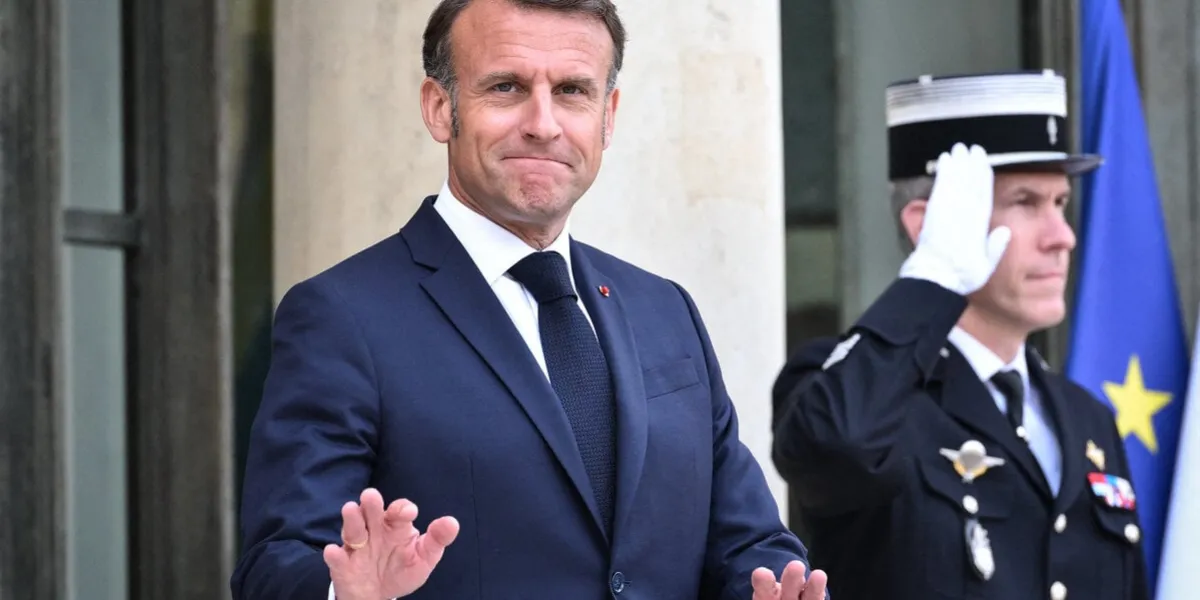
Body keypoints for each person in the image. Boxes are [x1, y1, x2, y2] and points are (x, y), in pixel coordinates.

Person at [231, 1, 829, 599]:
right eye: (506, 87)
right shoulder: (342, 317)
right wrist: (347, 594)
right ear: (439, 108)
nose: (543, 124)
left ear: (608, 117)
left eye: (572, 91)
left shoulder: (666, 311)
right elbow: (276, 565)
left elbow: (749, 544)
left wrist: (778, 589)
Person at [771, 70, 1148, 600]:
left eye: (1060, 203)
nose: (1062, 236)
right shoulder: (858, 392)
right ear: (927, 225)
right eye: (1025, 202)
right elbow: (831, 449)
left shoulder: (1087, 418)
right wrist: (933, 278)